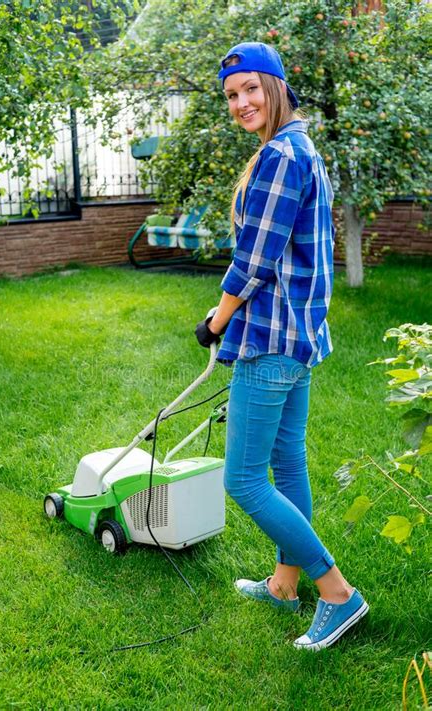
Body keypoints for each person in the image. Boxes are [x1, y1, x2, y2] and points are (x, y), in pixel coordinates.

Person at [195, 42, 369, 651]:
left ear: (277, 84)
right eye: (231, 94)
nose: (241, 102)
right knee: (287, 464)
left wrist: (216, 322)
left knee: (243, 479)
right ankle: (282, 585)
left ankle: (338, 593)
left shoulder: (278, 156)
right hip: (300, 337)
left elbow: (254, 260)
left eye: (250, 88)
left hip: (272, 339)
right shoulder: (303, 149)